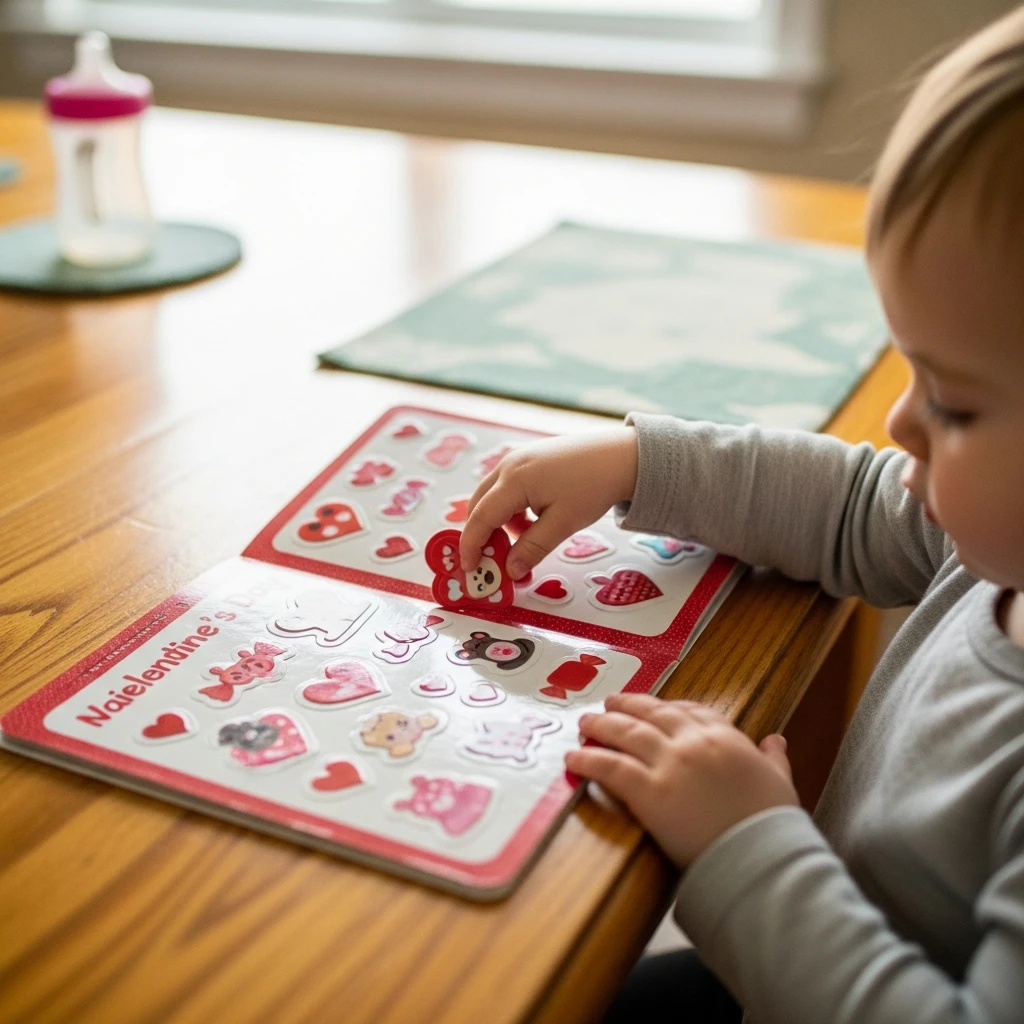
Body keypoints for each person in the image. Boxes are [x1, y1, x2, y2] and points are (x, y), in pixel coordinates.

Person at [458, 8, 1024, 1021]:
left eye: (953, 399)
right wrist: (643, 460)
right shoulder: (993, 543)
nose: (898, 422)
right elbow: (853, 499)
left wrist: (747, 846)